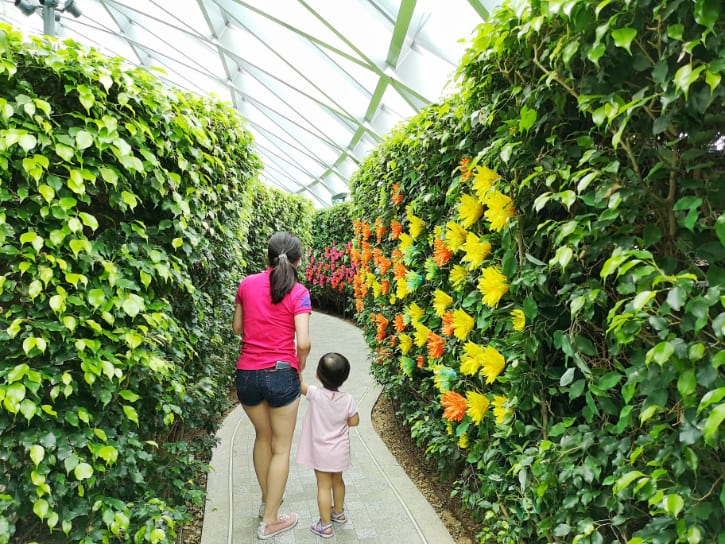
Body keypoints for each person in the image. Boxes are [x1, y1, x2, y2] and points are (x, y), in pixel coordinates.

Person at [232, 231, 312, 540]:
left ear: (268, 257)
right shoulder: (299, 291)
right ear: (297, 261)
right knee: (281, 448)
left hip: (247, 375)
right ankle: (270, 520)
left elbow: (238, 327)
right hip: (281, 374)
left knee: (262, 437)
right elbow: (303, 342)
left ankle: (269, 500)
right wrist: (299, 364)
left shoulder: (246, 284)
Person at [296, 352, 360, 539]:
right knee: (338, 481)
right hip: (340, 452)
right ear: (345, 377)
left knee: (323, 486)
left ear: (317, 375)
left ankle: (325, 525)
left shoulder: (315, 394)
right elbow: (354, 422)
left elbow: (300, 386)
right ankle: (338, 513)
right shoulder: (347, 399)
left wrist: (298, 367)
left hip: (320, 452)